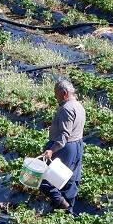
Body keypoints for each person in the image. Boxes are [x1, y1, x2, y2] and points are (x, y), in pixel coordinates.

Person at [41, 78, 85, 213]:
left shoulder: (66, 109)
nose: (55, 97)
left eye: (56, 94)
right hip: (77, 144)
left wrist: (52, 150)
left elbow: (65, 134)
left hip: (65, 147)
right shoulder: (78, 106)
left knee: (46, 177)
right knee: (70, 179)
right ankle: (68, 211)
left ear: (64, 93)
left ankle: (61, 204)